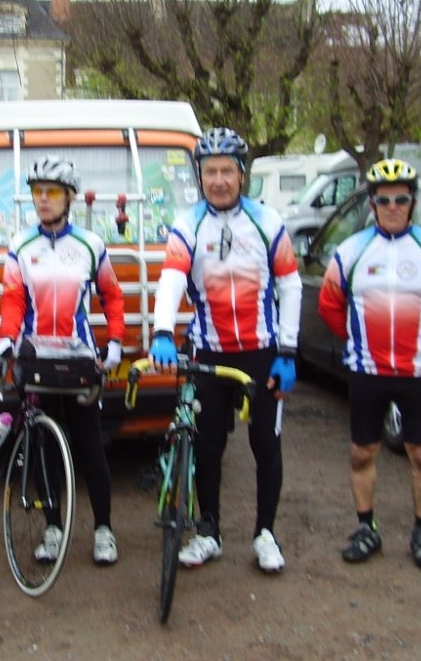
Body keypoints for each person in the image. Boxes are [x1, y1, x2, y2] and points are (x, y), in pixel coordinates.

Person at [150, 127, 302, 574]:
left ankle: (265, 534)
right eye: (210, 172)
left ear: (241, 175)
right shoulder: (187, 223)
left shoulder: (268, 221)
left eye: (227, 172)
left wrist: (288, 351)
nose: (218, 180)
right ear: (200, 177)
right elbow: (172, 277)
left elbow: (291, 286)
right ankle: (209, 531)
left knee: (265, 444)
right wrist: (162, 331)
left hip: (262, 352)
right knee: (208, 446)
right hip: (209, 352)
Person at [318, 159, 421, 571]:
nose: (393, 207)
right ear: (372, 204)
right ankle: (366, 528)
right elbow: (330, 306)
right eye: (384, 200)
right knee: (361, 452)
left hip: (420, 372)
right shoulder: (351, 251)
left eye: (401, 199)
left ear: (412, 202)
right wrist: (359, 340)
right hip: (368, 371)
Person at [0, 155, 125, 565]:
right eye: (37, 192)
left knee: (90, 446)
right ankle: (52, 528)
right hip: (36, 360)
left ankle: (103, 530)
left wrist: (115, 342)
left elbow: (112, 295)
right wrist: (5, 339)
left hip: (79, 361)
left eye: (51, 192)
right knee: (43, 446)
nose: (43, 199)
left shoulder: (89, 244)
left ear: (69, 197)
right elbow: (13, 299)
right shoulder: (21, 244)